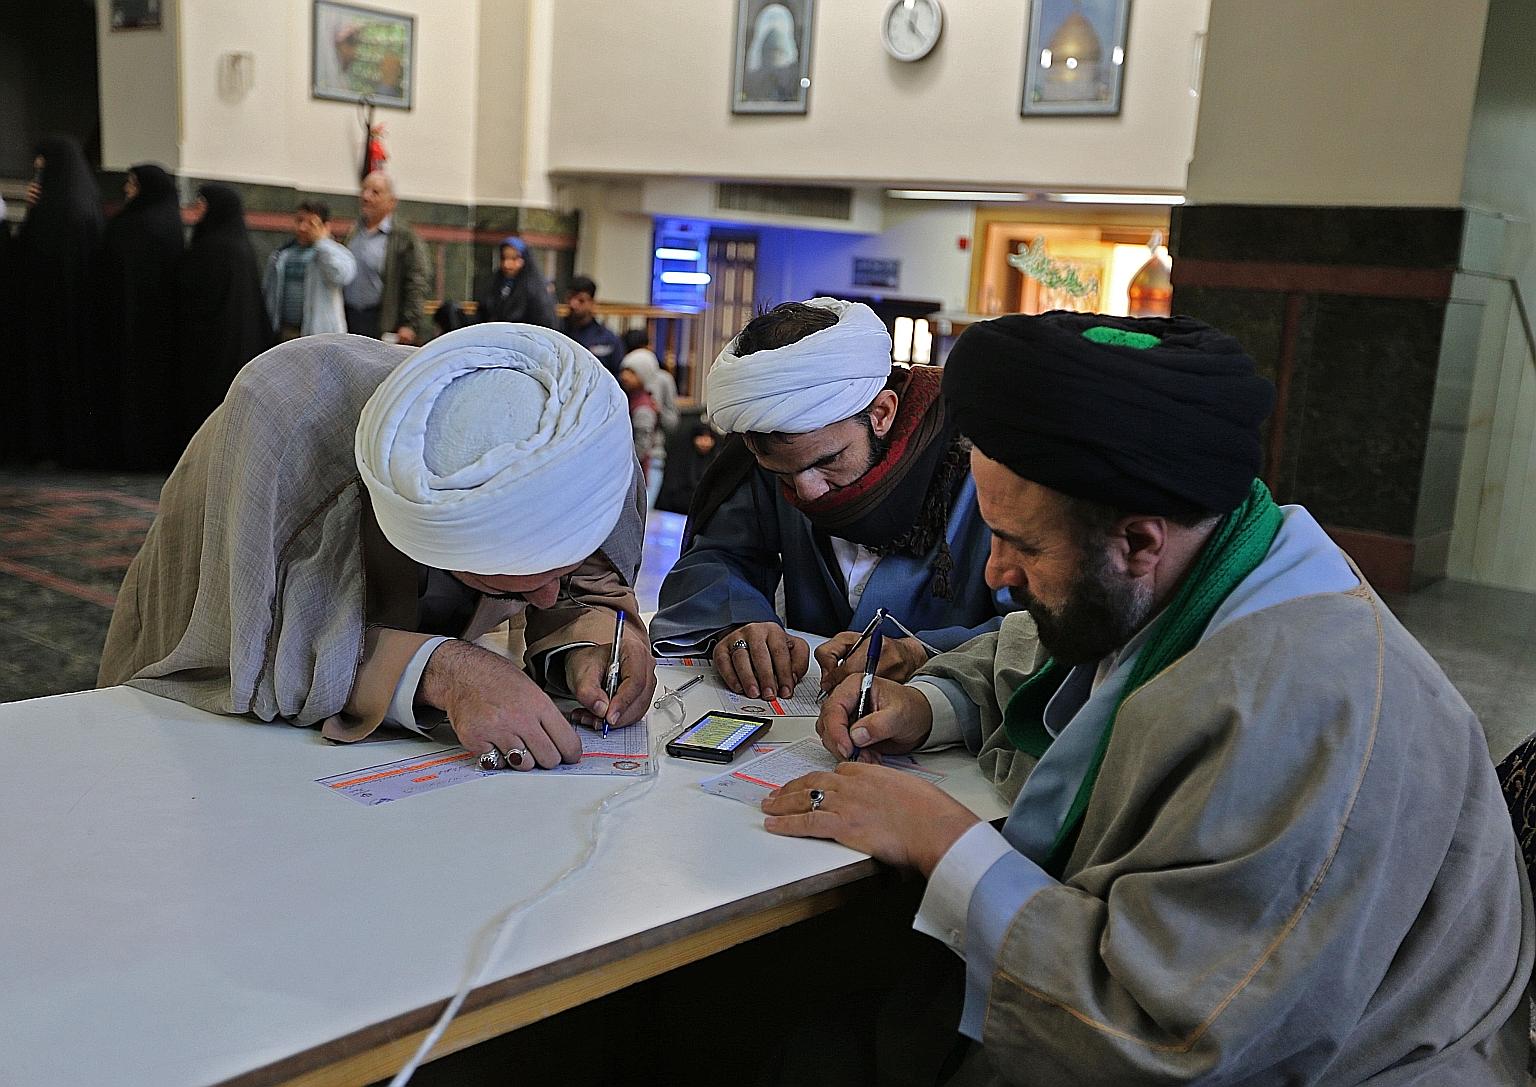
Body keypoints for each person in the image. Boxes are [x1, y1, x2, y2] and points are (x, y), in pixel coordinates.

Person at [765, 312, 1534, 1084]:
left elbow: (1164, 1039)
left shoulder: (1297, 705)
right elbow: (1038, 644)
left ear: (1138, 541)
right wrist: (929, 703)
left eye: (1021, 545)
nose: (996, 572)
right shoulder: (1213, 552)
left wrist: (941, 837)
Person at [99, 324, 656, 761]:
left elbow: (579, 579)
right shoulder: (284, 428)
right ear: (431, 542)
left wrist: (589, 639)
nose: (545, 598)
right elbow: (250, 648)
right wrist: (446, 672)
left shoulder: (569, 433)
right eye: (517, 583)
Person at [651, 298, 1015, 702]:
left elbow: (1037, 632)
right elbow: (719, 556)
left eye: (829, 460)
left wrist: (924, 652)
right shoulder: (774, 457)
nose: (806, 492)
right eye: (783, 474)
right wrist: (739, 620)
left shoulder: (983, 470)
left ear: (880, 413)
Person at [13, 134, 103, 466]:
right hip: (77, 318)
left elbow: (28, 258)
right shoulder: (86, 200)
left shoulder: (54, 210)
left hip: (48, 317)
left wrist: (33, 213)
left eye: (42, 168)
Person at [98, 163, 185, 469]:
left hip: (133, 326)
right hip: (152, 328)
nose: (126, 189)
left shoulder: (139, 225)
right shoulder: (166, 221)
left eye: (133, 184)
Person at [176, 183, 272, 448]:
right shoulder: (238, 245)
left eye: (201, 205)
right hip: (234, 345)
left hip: (210, 346)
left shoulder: (215, 248)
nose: (196, 211)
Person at [343, 171, 429, 344]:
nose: (366, 196)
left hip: (380, 321)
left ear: (391, 202)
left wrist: (409, 323)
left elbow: (416, 282)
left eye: (375, 192)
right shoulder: (354, 230)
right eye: (364, 190)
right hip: (349, 318)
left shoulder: (404, 237)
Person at [263, 200, 356, 340]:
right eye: (299, 220)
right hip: (285, 332)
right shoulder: (283, 254)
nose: (303, 227)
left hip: (319, 335)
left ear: (325, 226)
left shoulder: (335, 252)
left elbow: (341, 276)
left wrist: (321, 242)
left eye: (311, 223)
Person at [474, 236, 556, 327]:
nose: (507, 265)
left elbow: (544, 319)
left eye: (514, 259)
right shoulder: (494, 283)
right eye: (504, 258)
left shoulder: (536, 287)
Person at [560, 275, 625, 376]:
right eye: (570, 298)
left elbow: (616, 376)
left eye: (581, 300)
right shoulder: (556, 331)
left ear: (592, 303)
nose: (573, 304)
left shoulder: (608, 339)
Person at [655, 423, 720, 516]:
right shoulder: (680, 459)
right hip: (674, 514)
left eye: (710, 438)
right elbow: (671, 488)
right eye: (701, 437)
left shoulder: (714, 460)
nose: (706, 442)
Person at [618, 361, 658, 477]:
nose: (625, 376)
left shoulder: (642, 406)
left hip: (643, 467)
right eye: (624, 370)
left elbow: (642, 444)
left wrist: (626, 464)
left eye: (632, 372)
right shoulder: (629, 399)